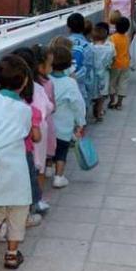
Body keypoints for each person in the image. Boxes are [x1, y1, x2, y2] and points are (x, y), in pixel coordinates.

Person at [0, 55, 33, 269]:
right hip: (15, 168)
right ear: (25, 82)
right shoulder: (25, 110)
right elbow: (25, 131)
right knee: (18, 210)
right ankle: (11, 253)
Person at [12, 47, 52, 216]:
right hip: (38, 136)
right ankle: (37, 201)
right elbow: (47, 109)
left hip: (18, 140)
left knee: (24, 172)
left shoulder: (6, 93)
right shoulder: (38, 88)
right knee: (38, 169)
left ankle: (24, 206)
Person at [49, 45, 86, 188]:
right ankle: (59, 176)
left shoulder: (45, 80)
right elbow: (77, 104)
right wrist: (81, 122)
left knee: (49, 147)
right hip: (64, 124)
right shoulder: (70, 83)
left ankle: (48, 168)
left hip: (49, 123)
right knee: (62, 150)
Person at [32, 45, 58, 185]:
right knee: (42, 155)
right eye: (50, 65)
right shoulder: (48, 83)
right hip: (43, 125)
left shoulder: (28, 85)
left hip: (31, 129)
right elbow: (52, 105)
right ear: (41, 67)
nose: (51, 68)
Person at [66, 13, 94, 113]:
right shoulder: (87, 46)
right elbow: (89, 69)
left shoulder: (63, 43)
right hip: (82, 88)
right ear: (83, 27)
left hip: (66, 87)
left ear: (68, 28)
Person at [90, 24, 115, 121]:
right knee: (102, 95)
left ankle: (93, 110)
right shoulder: (110, 48)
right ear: (105, 38)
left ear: (92, 38)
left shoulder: (90, 48)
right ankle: (99, 112)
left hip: (93, 74)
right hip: (104, 74)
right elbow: (112, 60)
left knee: (93, 93)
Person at [109, 17, 132, 110]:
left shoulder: (112, 38)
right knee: (123, 83)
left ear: (116, 27)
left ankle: (112, 101)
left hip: (115, 64)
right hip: (125, 64)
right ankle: (119, 103)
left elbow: (111, 52)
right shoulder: (127, 38)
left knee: (112, 83)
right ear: (127, 28)